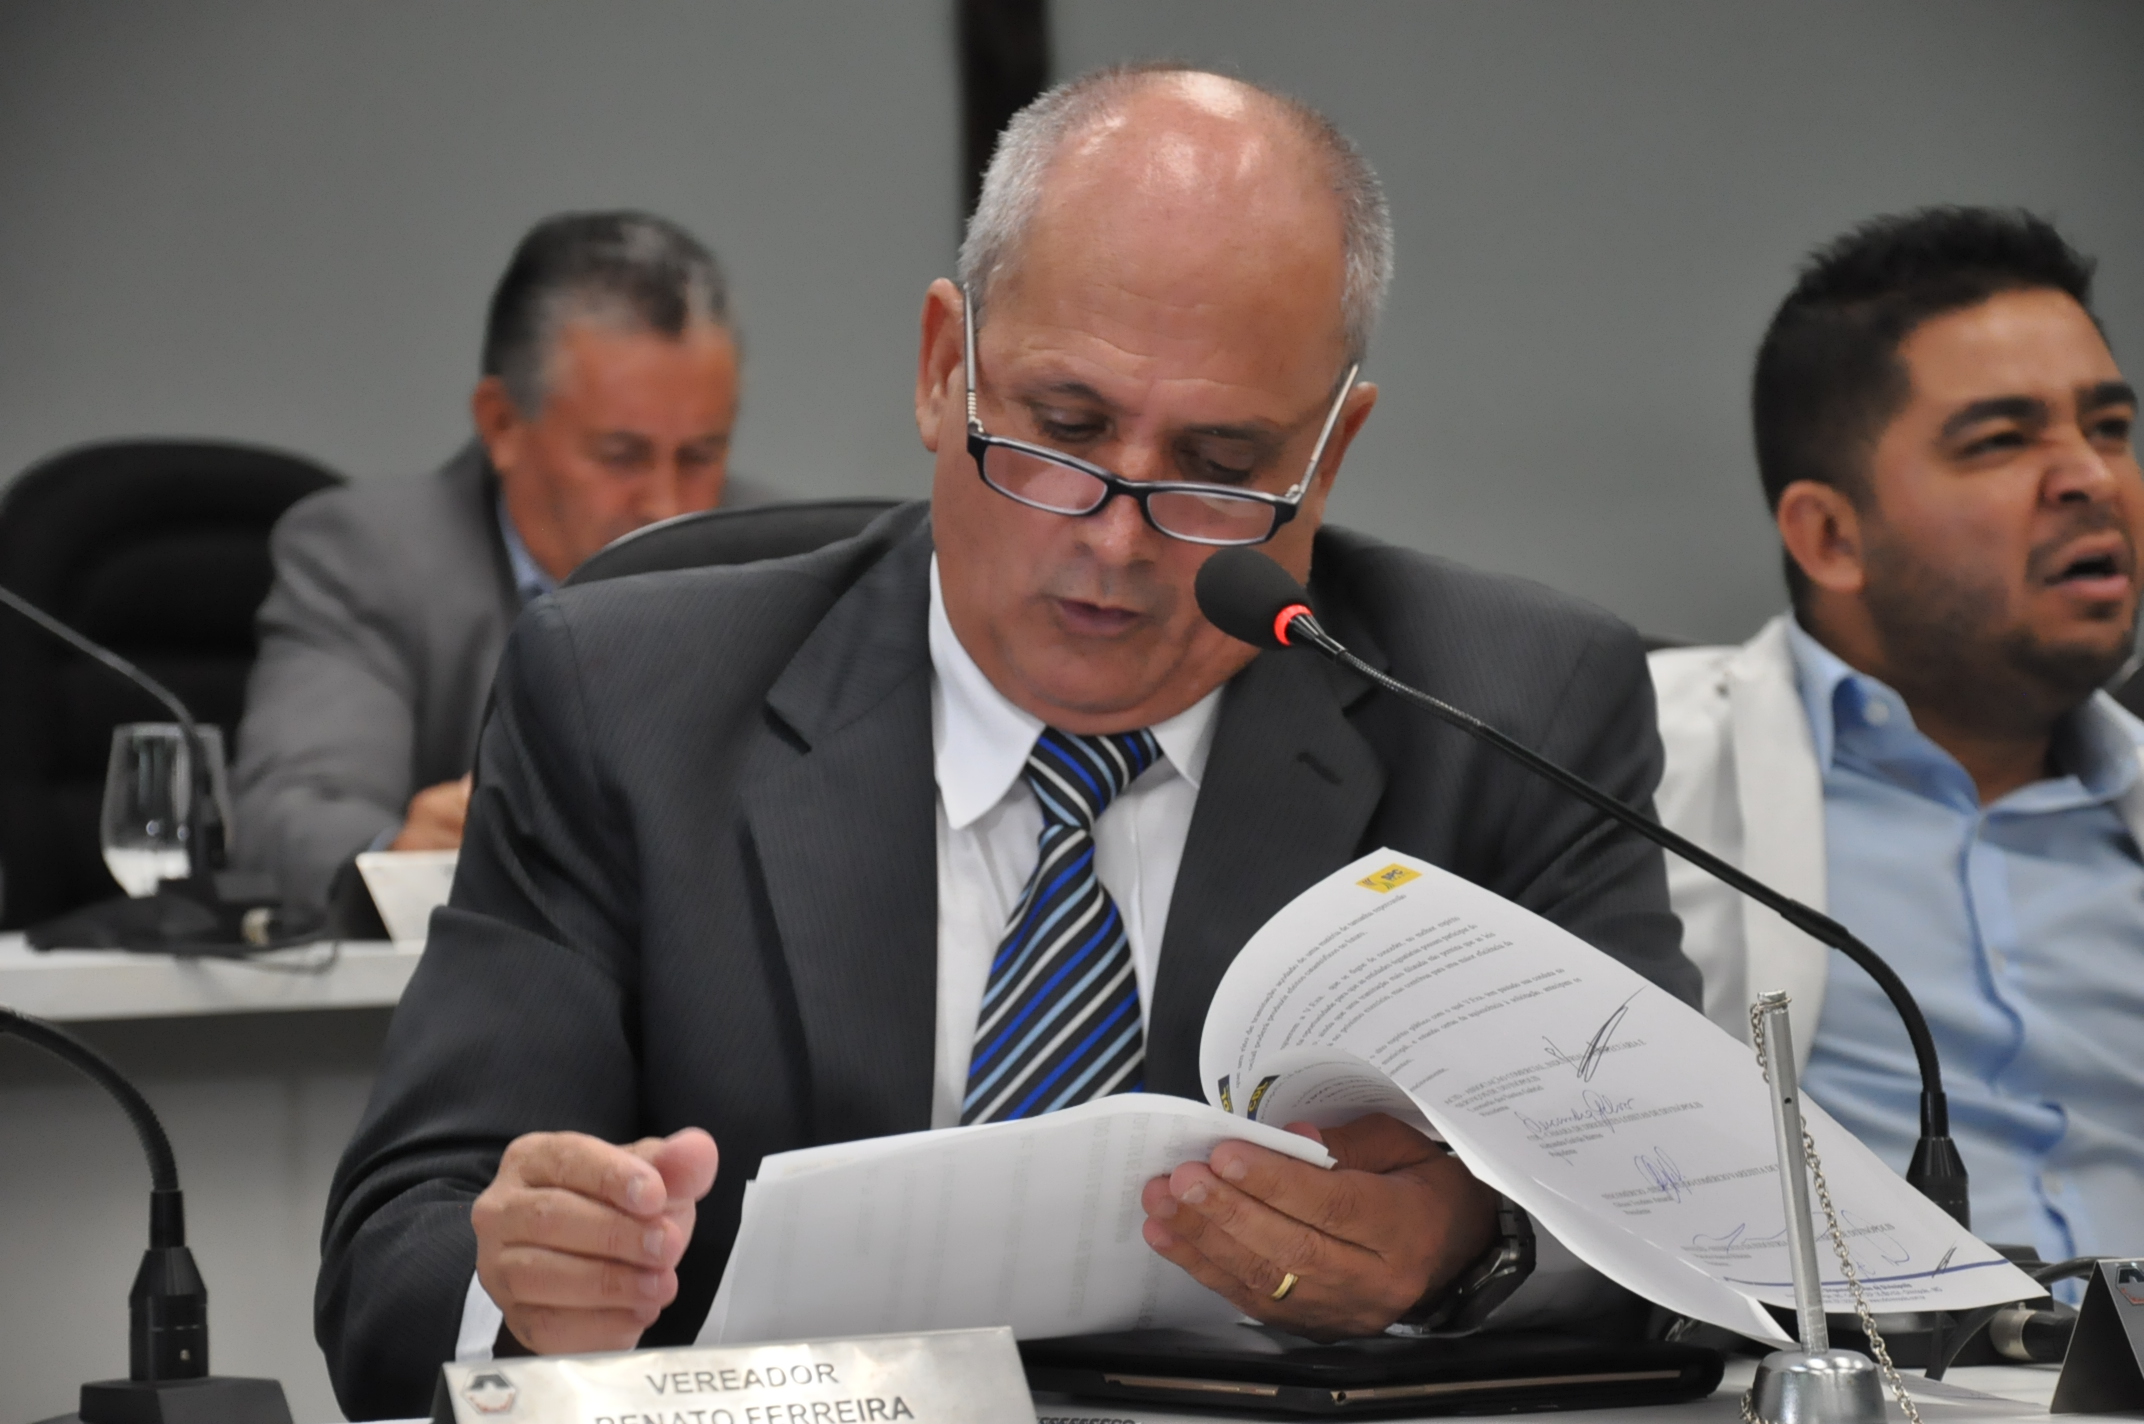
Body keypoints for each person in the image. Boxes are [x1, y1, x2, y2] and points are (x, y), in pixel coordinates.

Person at [318, 66, 1698, 1417]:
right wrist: (529, 1294)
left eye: (1219, 467)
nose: (1118, 537)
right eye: (1065, 429)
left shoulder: (1507, 711)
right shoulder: (626, 702)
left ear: (1327, 457)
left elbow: (1693, 1219)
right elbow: (400, 1253)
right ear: (944, 369)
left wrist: (1464, 1249)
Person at [1651, 207, 2144, 1261]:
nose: (2092, 477)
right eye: (2001, 441)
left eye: (2108, 427)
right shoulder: (1627, 765)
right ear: (1831, 535)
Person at [232, 211, 773, 921]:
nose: (667, 504)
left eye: (702, 456)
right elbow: (291, 813)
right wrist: (398, 858)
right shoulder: (371, 555)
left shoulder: (782, 558)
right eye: (621, 456)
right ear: (501, 424)